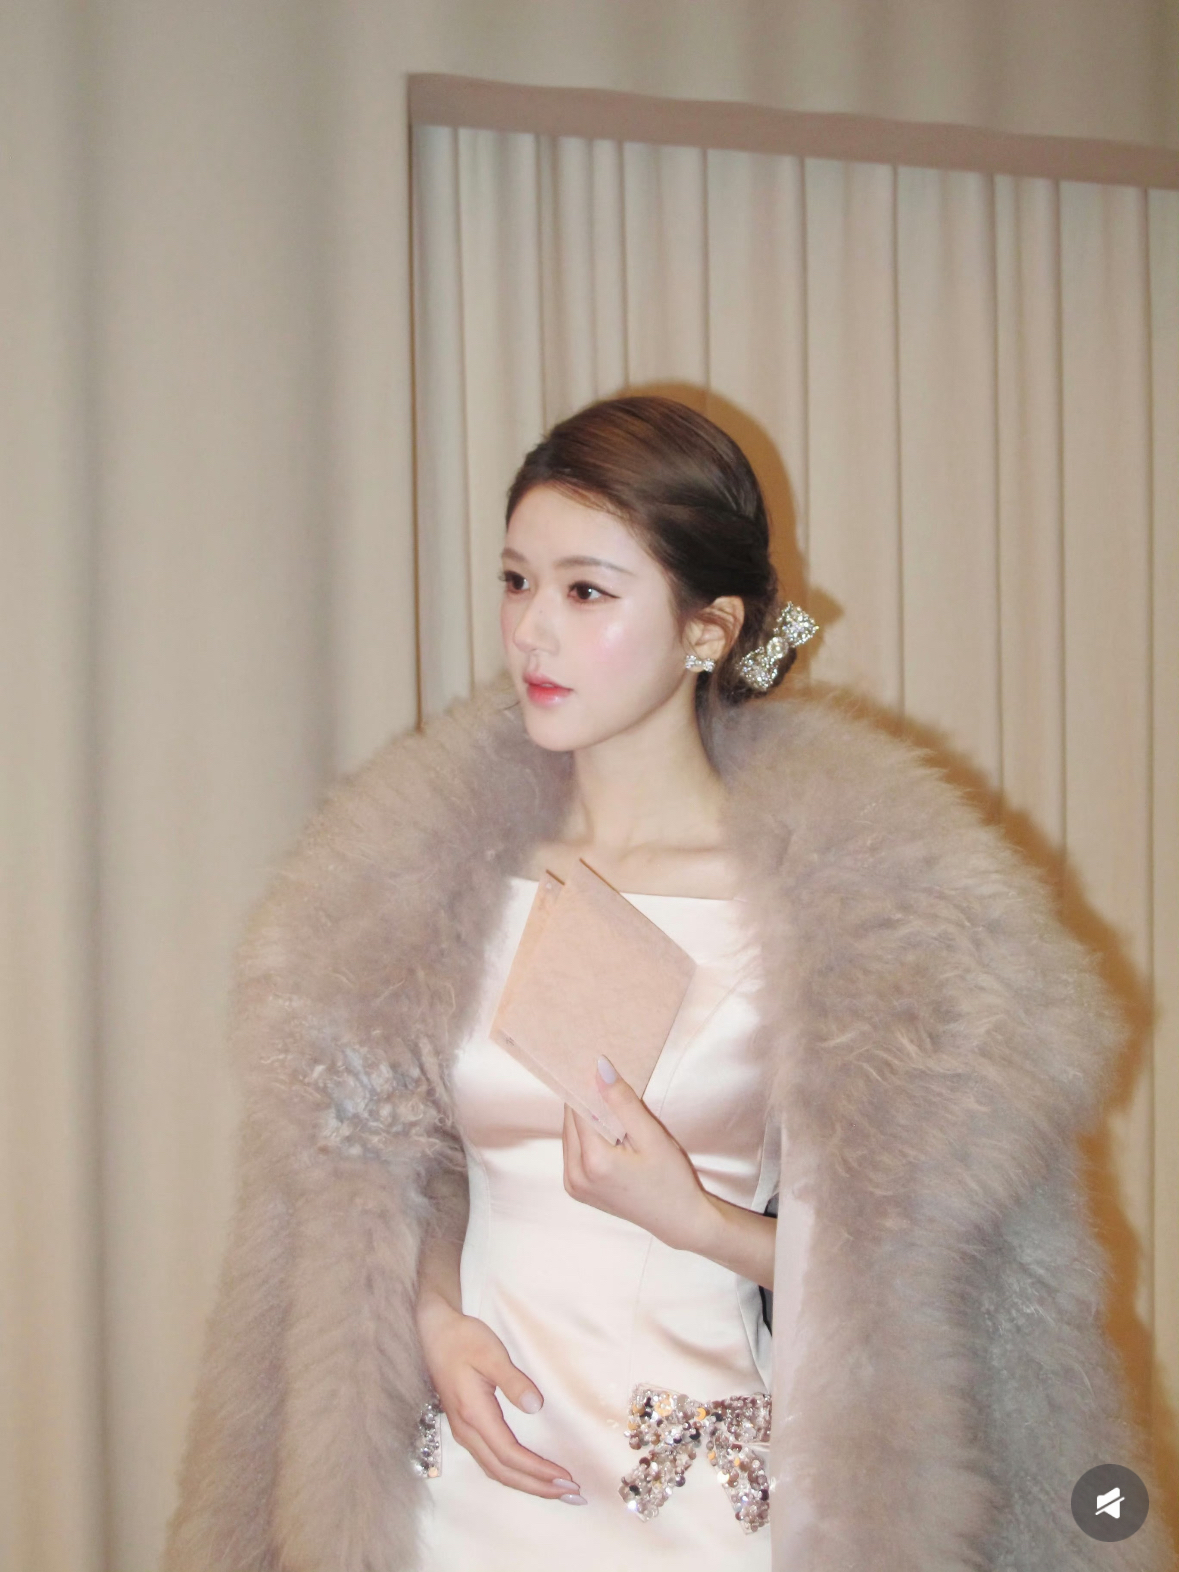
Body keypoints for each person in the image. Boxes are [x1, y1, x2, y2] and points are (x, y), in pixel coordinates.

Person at [162, 396, 1170, 1572]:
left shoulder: (841, 919)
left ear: (708, 629)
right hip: (461, 1493)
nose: (533, 631)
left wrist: (699, 1220)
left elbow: (925, 1278)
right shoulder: (431, 894)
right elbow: (404, 1178)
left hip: (694, 1505)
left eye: (587, 591)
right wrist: (429, 1315)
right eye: (516, 581)